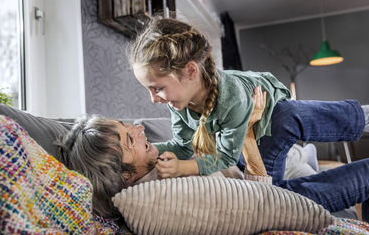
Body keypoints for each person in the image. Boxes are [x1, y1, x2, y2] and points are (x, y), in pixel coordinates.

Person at [128, 16, 369, 215]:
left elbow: (224, 158)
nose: (153, 99)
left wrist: (183, 167)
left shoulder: (229, 97)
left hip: (269, 112)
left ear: (191, 71)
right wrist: (156, 152)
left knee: (287, 115)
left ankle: (362, 118)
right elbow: (182, 145)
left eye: (157, 88)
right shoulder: (178, 104)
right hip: (250, 156)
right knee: (285, 131)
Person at [54, 87, 270, 219]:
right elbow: (260, 202)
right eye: (130, 139)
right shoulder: (166, 192)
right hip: (258, 178)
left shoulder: (156, 162)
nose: (140, 129)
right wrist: (247, 131)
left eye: (126, 126)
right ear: (125, 176)